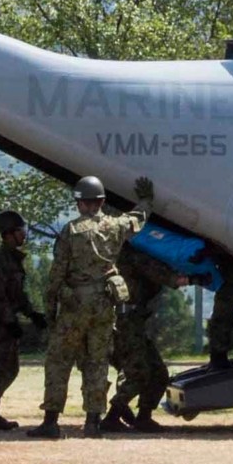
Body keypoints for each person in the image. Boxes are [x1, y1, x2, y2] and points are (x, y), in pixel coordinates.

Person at [28, 174, 153, 439]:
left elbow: (56, 274)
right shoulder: (115, 226)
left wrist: (50, 310)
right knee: (98, 362)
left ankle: (51, 422)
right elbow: (137, 219)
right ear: (102, 201)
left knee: (59, 360)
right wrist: (145, 200)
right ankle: (93, 423)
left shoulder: (71, 231)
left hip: (74, 306)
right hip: (104, 305)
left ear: (79, 204)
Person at [104, 243, 185, 432]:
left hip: (134, 323)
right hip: (124, 324)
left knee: (158, 373)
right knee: (139, 373)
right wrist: (187, 278)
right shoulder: (131, 253)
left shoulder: (135, 250)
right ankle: (113, 415)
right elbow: (160, 274)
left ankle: (143, 417)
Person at [0, 211, 41, 429]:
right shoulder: (0, 261)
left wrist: (31, 313)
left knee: (9, 369)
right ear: (8, 234)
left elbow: (17, 294)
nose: (23, 235)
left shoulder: (12, 259)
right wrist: (8, 321)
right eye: (19, 231)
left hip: (6, 322)